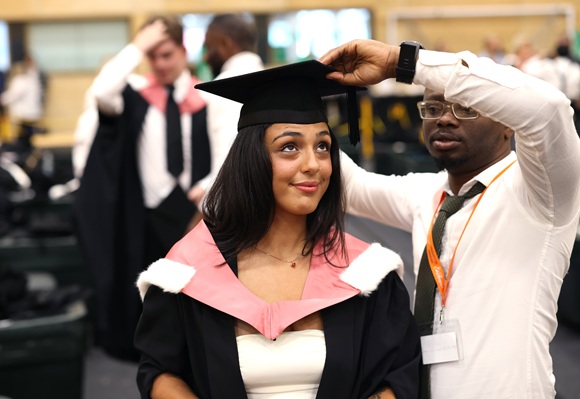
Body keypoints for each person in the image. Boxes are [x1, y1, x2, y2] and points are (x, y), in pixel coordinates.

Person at [134, 60, 421, 399]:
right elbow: (160, 370)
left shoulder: (367, 274)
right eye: (289, 147)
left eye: (322, 146)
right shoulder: (189, 270)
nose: (313, 164)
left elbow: (400, 375)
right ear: (252, 158)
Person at [319, 39, 580, 398]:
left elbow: (548, 110)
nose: (444, 117)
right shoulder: (427, 194)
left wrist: (403, 62)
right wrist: (300, 102)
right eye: (433, 106)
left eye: (466, 108)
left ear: (509, 125)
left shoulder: (541, 194)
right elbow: (347, 184)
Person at [73, 15, 212, 361]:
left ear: (183, 51)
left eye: (167, 55)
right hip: (146, 212)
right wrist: (137, 46)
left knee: (196, 295)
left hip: (193, 210)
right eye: (154, 56)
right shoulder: (137, 98)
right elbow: (102, 91)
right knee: (149, 297)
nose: (161, 64)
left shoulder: (204, 98)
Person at [186, 13, 264, 206]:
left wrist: (209, 205)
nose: (205, 56)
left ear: (226, 44)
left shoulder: (224, 88)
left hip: (238, 208)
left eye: (209, 48)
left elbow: (227, 157)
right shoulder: (270, 80)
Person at [0, 56, 44, 153]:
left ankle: (23, 151)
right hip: (32, 113)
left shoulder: (21, 80)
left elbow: (12, 95)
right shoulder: (31, 79)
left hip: (25, 115)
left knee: (23, 137)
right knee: (26, 135)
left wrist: (2, 100)